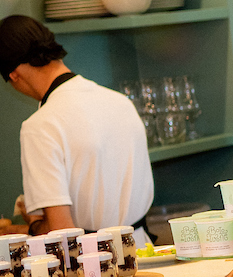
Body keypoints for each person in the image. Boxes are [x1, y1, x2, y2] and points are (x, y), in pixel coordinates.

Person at [1, 15, 153, 240]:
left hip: (95, 263)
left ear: (14, 75)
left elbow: (62, 231)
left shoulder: (39, 126)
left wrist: (33, 225)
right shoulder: (120, 101)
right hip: (143, 248)